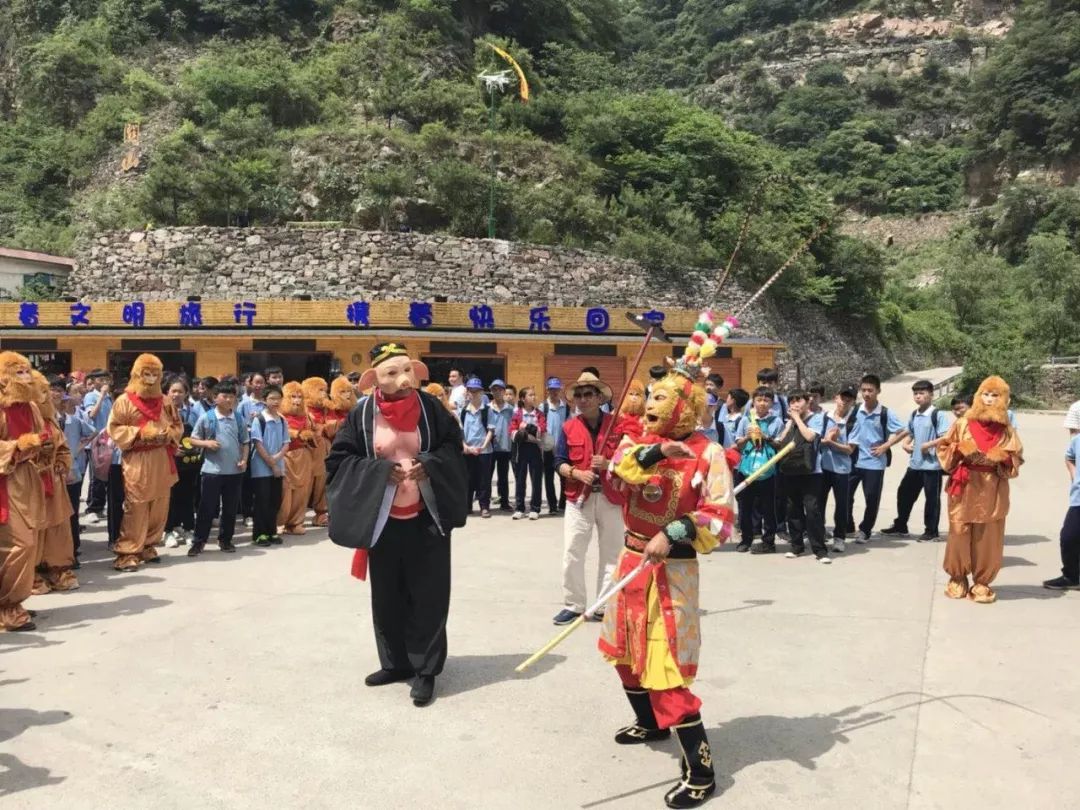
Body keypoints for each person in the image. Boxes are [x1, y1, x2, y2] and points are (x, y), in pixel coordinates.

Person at [602, 324, 736, 810]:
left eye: (663, 398)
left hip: (671, 572)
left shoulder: (710, 453)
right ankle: (651, 724)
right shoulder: (638, 440)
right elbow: (621, 474)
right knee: (624, 653)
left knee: (664, 669)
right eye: (652, 396)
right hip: (631, 561)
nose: (653, 405)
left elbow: (720, 519)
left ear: (688, 407)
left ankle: (701, 771)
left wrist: (674, 531)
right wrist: (659, 449)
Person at [325, 342, 468, 707]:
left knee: (428, 595)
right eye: (392, 374)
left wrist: (430, 465)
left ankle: (426, 670)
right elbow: (340, 459)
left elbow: (454, 447)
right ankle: (395, 662)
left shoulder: (432, 408)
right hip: (384, 521)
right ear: (375, 380)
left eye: (408, 372)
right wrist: (376, 472)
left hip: (426, 518)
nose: (403, 381)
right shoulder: (361, 416)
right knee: (387, 595)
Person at [937, 376, 1023, 604]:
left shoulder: (1006, 430)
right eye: (985, 394)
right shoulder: (963, 423)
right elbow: (944, 447)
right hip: (964, 485)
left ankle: (982, 581)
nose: (989, 399)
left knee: (988, 536)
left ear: (1004, 399)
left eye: (995, 395)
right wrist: (960, 449)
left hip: (991, 487)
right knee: (959, 531)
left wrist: (1002, 458)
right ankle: (957, 577)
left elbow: (1016, 458)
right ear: (978, 396)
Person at [552, 372, 623, 626]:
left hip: (611, 497)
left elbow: (631, 459)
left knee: (612, 553)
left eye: (588, 394)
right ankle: (574, 604)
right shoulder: (568, 427)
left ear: (599, 397)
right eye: (578, 395)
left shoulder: (618, 425)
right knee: (573, 551)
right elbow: (558, 461)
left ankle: (604, 605)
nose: (582, 399)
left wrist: (610, 463)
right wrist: (575, 472)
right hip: (578, 498)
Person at [106, 354, 183, 572]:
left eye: (154, 375)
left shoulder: (165, 401)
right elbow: (114, 429)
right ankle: (128, 551)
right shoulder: (124, 401)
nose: (150, 379)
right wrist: (141, 434)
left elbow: (177, 425)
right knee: (137, 505)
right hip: (138, 459)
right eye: (146, 374)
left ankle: (149, 545)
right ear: (137, 375)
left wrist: (168, 434)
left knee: (160, 504)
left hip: (161, 457)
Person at [0, 352, 51, 632]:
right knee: (20, 545)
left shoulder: (31, 407)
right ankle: (7, 605)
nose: (25, 377)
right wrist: (16, 446)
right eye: (18, 373)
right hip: (5, 482)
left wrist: (44, 445)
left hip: (27, 479)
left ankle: (13, 602)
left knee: (30, 540)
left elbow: (40, 434)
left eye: (26, 372)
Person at [881, 380, 951, 541]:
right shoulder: (915, 414)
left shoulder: (938, 415)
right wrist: (906, 444)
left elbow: (946, 437)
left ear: (931, 395)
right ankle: (901, 525)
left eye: (922, 393)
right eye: (916, 394)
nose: (918, 397)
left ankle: (931, 531)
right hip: (915, 464)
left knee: (931, 500)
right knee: (904, 493)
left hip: (932, 466)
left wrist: (929, 444)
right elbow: (910, 432)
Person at [188, 381, 250, 557]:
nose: (229, 399)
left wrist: (244, 460)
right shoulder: (207, 417)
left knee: (230, 509)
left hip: (234, 472)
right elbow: (192, 439)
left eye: (232, 396)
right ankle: (199, 542)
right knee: (206, 508)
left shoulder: (238, 418)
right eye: (225, 396)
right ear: (215, 398)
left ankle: (225, 540)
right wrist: (206, 443)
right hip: (212, 471)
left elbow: (245, 442)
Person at [847, 374, 907, 544]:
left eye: (870, 390)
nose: (866, 394)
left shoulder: (885, 413)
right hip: (853, 460)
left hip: (874, 463)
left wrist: (886, 445)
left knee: (871, 498)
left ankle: (865, 530)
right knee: (846, 496)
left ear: (878, 391)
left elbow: (904, 430)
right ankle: (848, 525)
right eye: (864, 390)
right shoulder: (855, 410)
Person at [32, 373, 78, 592]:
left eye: (45, 391)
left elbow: (64, 448)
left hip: (54, 482)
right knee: (33, 531)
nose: (44, 396)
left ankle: (57, 569)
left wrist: (61, 462)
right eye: (40, 391)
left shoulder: (50, 420)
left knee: (58, 528)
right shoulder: (16, 418)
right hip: (29, 485)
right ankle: (31, 574)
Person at [775, 391, 829, 563]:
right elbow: (781, 441)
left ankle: (820, 550)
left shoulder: (817, 418)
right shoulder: (789, 421)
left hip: (811, 472)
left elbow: (810, 436)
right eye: (791, 401)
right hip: (790, 470)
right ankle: (797, 546)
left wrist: (797, 418)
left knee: (812, 510)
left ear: (808, 402)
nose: (795, 404)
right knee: (793, 509)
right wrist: (790, 421)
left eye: (799, 401)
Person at [735, 387, 784, 553]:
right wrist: (748, 437)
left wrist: (765, 437)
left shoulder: (776, 421)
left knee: (769, 509)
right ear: (753, 402)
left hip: (767, 471)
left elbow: (780, 446)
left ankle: (769, 541)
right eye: (759, 400)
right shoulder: (745, 420)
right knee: (745, 507)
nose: (762, 403)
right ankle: (746, 539)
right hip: (747, 470)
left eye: (766, 400)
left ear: (771, 403)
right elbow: (738, 446)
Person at [60, 382, 95, 563]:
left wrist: (78, 448)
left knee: (71, 512)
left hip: (72, 471)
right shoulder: (45, 421)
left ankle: (72, 551)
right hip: (51, 475)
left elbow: (93, 432)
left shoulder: (73, 420)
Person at [820, 387, 858, 553]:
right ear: (836, 398)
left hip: (842, 470)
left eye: (849, 400)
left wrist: (831, 442)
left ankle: (839, 538)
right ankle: (819, 533)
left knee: (842, 505)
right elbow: (816, 440)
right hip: (822, 467)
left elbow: (850, 449)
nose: (844, 402)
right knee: (818, 504)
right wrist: (826, 440)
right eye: (843, 398)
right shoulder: (824, 417)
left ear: (853, 403)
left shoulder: (854, 422)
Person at [277, 382, 318, 536]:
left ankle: (295, 523)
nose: (297, 400)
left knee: (302, 491)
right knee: (285, 491)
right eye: (293, 396)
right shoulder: (279, 415)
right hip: (286, 455)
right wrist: (295, 433)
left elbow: (316, 431)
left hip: (303, 455)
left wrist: (311, 435)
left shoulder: (307, 416)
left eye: (300, 397)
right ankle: (280, 521)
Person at [163, 377, 200, 548]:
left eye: (180, 391)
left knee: (187, 495)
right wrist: (171, 450)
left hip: (189, 461)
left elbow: (200, 433)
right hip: (168, 460)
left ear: (186, 394)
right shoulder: (161, 411)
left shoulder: (193, 411)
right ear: (167, 393)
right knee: (170, 496)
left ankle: (188, 528)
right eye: (173, 391)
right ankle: (168, 530)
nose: (177, 394)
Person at [250, 385, 287, 547]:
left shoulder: (282, 419)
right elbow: (258, 444)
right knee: (262, 501)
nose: (275, 401)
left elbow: (286, 443)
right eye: (271, 398)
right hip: (262, 468)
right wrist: (273, 464)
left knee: (275, 501)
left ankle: (272, 531)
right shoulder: (259, 419)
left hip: (278, 467)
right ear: (264, 400)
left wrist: (278, 459)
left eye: (278, 398)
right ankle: (260, 534)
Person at [1043, 430, 1080, 590]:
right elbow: (1069, 457)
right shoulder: (1077, 440)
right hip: (1078, 499)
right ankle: (1071, 577)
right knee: (1068, 537)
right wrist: (1074, 475)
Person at [510, 386, 546, 520]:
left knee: (536, 479)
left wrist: (527, 427)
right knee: (520, 480)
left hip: (536, 451)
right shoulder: (517, 414)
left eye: (534, 394)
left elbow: (541, 431)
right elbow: (512, 433)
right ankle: (519, 508)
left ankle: (535, 508)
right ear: (522, 399)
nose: (533, 397)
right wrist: (525, 435)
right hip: (521, 450)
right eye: (530, 395)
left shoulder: (540, 414)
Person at [460, 378, 494, 518]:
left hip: (484, 451)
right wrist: (466, 447)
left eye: (476, 391)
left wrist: (483, 446)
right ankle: (467, 506)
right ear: (467, 392)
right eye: (471, 391)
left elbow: (491, 430)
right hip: (467, 451)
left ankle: (484, 507)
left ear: (481, 392)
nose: (473, 394)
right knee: (467, 479)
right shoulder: (463, 411)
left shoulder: (487, 410)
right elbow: (460, 432)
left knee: (484, 480)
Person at [82, 368, 113, 521]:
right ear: (94, 382)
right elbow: (92, 415)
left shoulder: (109, 398)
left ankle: (101, 505)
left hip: (107, 441)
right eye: (101, 379)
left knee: (105, 474)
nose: (105, 382)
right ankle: (93, 507)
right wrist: (101, 395)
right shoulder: (90, 396)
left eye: (106, 379)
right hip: (94, 442)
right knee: (96, 477)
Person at [302, 377, 331, 527]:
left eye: (325, 390)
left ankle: (321, 513)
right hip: (308, 450)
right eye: (320, 390)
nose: (324, 394)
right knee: (305, 483)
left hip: (325, 449)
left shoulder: (328, 409)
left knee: (322, 482)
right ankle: (296, 517)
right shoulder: (302, 409)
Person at [542, 377, 570, 515]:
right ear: (547, 390)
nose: (554, 392)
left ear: (560, 390)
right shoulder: (543, 407)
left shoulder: (566, 407)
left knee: (564, 477)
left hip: (562, 449)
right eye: (551, 389)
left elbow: (569, 428)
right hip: (547, 449)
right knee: (548, 478)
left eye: (556, 389)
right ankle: (552, 505)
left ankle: (563, 503)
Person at [488, 379, 514, 512]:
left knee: (503, 476)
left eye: (499, 389)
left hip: (505, 446)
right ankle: (485, 503)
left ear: (504, 391)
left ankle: (504, 502)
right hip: (489, 447)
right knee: (487, 475)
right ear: (491, 391)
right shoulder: (487, 408)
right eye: (494, 389)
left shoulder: (511, 409)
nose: (497, 392)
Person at [616, 379, 646, 443]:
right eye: (631, 394)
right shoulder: (619, 413)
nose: (634, 397)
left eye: (637, 394)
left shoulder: (643, 417)